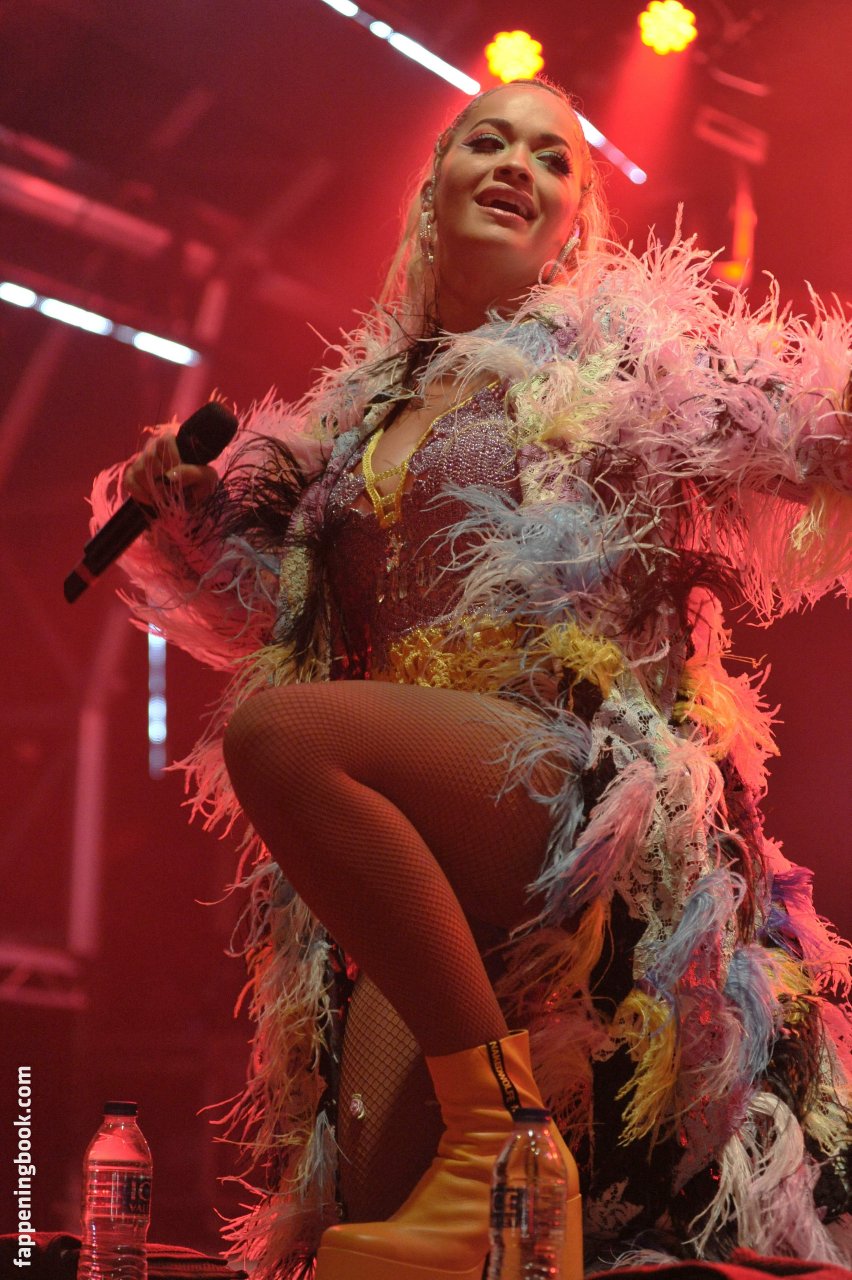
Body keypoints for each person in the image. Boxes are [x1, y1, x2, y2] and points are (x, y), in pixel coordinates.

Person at [92, 79, 851, 1279]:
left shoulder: (619, 356)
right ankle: (502, 1136)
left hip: (566, 796)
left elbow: (797, 416)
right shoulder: (355, 418)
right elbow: (271, 623)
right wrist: (188, 517)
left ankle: (499, 1134)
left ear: (576, 220)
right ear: (430, 187)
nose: (517, 165)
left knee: (281, 737)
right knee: (367, 1220)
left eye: (552, 158)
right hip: (428, 859)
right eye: (488, 141)